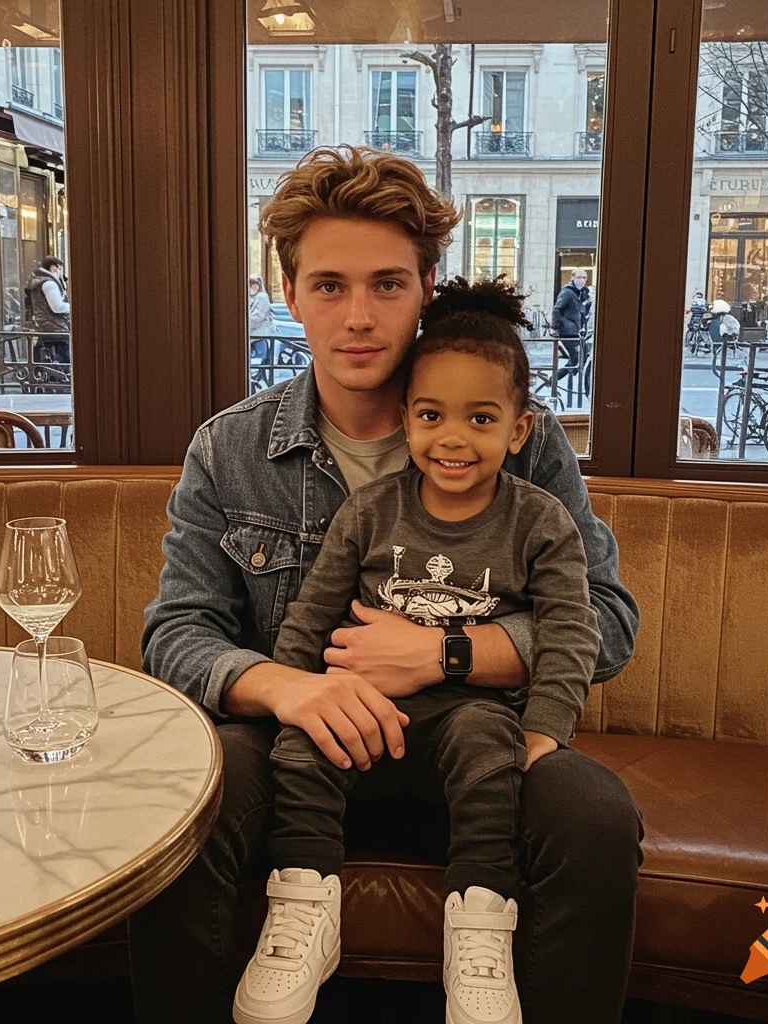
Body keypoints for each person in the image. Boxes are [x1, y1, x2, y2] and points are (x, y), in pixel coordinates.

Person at [134, 146, 643, 1024]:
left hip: (481, 745)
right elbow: (176, 631)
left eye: (388, 285)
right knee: (188, 798)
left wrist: (446, 654)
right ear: (288, 292)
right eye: (329, 285)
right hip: (304, 755)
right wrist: (288, 687)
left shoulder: (521, 439)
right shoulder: (230, 449)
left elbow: (607, 620)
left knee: (593, 815)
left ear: (428, 288)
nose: (359, 317)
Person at [232, 278, 602, 1024]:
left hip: (469, 716)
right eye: (432, 416)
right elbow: (311, 614)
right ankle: (303, 907)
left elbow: (575, 628)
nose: (454, 439)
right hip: (360, 709)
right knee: (303, 748)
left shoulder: (541, 520)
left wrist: (546, 730)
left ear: (520, 430)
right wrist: (291, 699)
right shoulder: (371, 511)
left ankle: (480, 926)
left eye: (482, 418)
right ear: (407, 420)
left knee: (484, 748)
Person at [26, 255, 71, 364]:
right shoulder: (49, 284)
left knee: (47, 353)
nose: (61, 271)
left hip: (46, 324)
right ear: (53, 268)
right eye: (59, 268)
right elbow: (57, 307)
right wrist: (72, 307)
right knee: (62, 357)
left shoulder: (40, 281)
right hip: (55, 326)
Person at [550, 268, 589, 382]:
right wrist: (554, 327)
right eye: (578, 277)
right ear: (572, 278)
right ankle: (555, 380)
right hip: (567, 331)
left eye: (584, 278)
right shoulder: (567, 292)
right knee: (577, 357)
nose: (581, 280)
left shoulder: (579, 293)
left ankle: (555, 379)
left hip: (574, 330)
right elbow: (557, 309)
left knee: (579, 356)